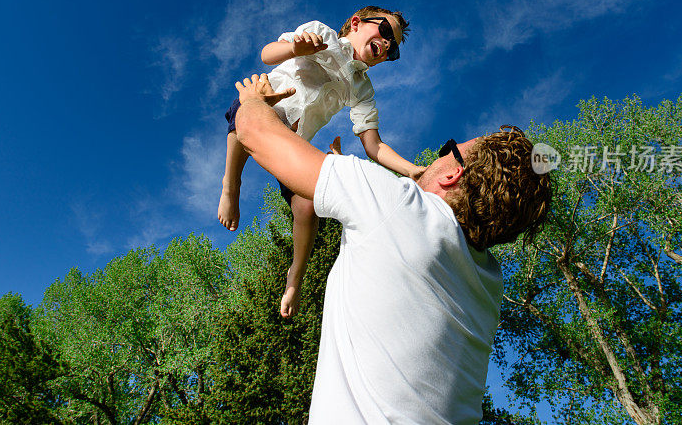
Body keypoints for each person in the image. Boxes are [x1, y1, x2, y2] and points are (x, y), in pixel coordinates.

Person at [233, 73, 552, 424]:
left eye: (448, 150)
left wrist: (252, 100)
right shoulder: (488, 286)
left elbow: (253, 132)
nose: (437, 155)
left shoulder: (402, 208)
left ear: (452, 176)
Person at [218, 6, 425, 318]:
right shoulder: (322, 35)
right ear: (356, 22)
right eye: (384, 32)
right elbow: (267, 54)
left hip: (291, 142)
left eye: (392, 49)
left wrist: (412, 170)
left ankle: (294, 277)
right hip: (269, 104)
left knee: (307, 206)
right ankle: (231, 186)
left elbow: (374, 144)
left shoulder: (362, 89)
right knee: (249, 107)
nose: (386, 46)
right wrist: (294, 48)